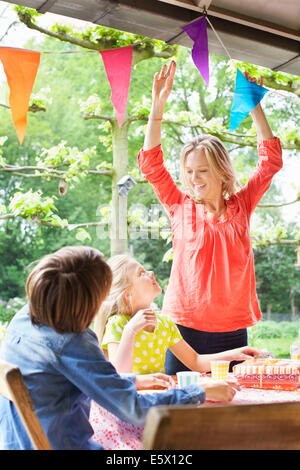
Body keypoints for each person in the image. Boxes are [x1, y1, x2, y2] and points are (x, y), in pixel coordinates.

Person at [0, 246, 237, 451]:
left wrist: (130, 381)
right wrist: (199, 392)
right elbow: (133, 409)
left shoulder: (23, 320)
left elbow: (63, 379)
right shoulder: (73, 342)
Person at [137, 61, 283, 374]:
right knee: (181, 411)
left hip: (232, 329)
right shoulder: (178, 205)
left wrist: (253, 103)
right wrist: (157, 108)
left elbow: (270, 161)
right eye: (189, 172)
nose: (194, 178)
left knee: (229, 411)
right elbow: (151, 165)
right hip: (184, 329)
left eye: (202, 170)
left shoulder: (242, 205)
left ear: (220, 171)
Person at [94, 254, 260, 375]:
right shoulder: (118, 325)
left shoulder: (165, 324)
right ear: (127, 295)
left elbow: (196, 362)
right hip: (132, 405)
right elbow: (119, 376)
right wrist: (131, 331)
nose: (151, 272)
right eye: (141, 273)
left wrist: (236, 353)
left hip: (157, 400)